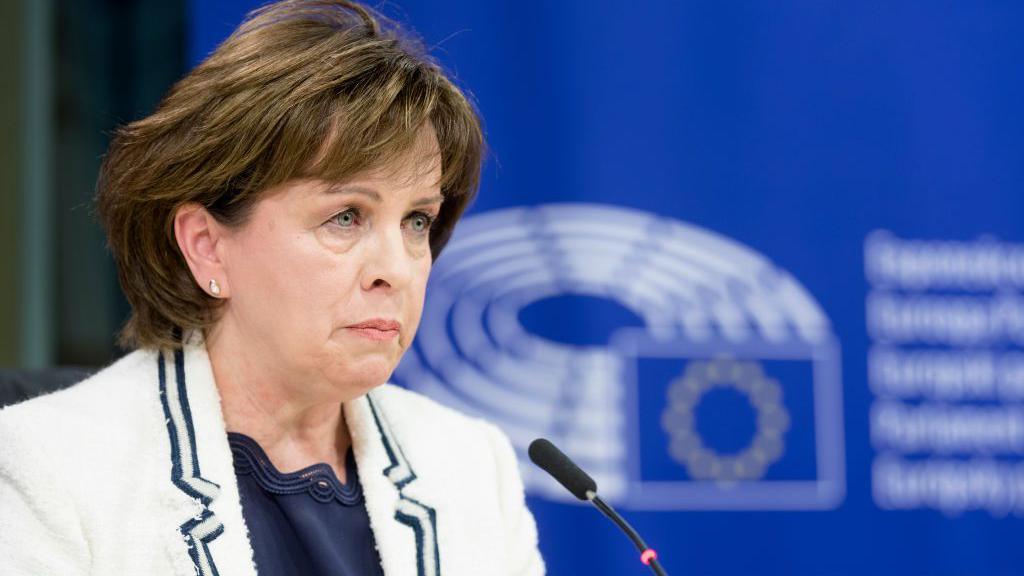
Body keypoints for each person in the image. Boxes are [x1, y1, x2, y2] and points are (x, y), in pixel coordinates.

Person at [0, 1, 545, 574]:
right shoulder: (51, 468)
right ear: (207, 245)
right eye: (346, 217)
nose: (399, 269)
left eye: (417, 221)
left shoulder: (470, 466)